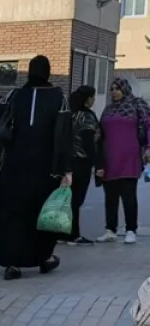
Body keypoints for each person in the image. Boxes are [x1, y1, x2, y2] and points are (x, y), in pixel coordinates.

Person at [0, 55, 72, 280]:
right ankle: (44, 258)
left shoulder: (14, 95)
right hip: (45, 169)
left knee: (13, 214)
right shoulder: (58, 98)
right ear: (47, 72)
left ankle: (12, 263)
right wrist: (66, 170)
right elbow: (63, 136)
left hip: (13, 167)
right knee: (41, 213)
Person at [98, 77, 149, 244]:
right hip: (109, 157)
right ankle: (110, 230)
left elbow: (148, 126)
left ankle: (130, 230)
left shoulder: (137, 105)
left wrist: (148, 148)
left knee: (128, 195)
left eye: (117, 88)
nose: (114, 91)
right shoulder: (108, 109)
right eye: (112, 89)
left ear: (125, 89)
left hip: (130, 157)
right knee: (110, 196)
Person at [68, 85, 102, 244]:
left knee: (68, 198)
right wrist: (97, 164)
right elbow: (89, 142)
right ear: (88, 99)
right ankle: (74, 234)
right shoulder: (87, 117)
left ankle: (64, 232)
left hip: (67, 161)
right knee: (76, 199)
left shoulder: (70, 113)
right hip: (81, 162)